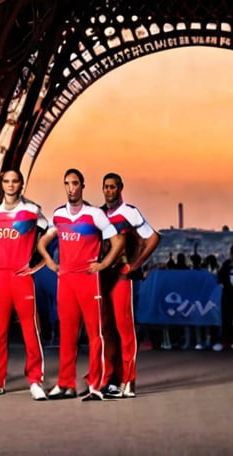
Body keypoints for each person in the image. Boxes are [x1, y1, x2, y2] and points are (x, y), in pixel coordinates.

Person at [38, 169, 123, 401]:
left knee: (95, 334)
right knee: (66, 334)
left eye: (75, 183)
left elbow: (117, 242)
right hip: (65, 280)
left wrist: (103, 264)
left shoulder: (95, 214)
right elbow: (43, 242)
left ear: (82, 186)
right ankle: (66, 384)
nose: (71, 188)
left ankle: (96, 384)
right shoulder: (58, 215)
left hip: (88, 279)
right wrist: (49, 262)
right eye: (67, 184)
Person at [0, 169, 50, 400]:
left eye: (15, 181)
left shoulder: (31, 210)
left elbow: (49, 233)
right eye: (7, 181)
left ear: (21, 184)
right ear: (2, 184)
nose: (11, 185)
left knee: (30, 329)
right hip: (0, 277)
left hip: (22, 276)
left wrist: (38, 263)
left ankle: (35, 380)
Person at [99, 172, 160, 397]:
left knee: (125, 328)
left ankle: (129, 381)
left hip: (123, 276)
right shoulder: (99, 214)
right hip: (104, 276)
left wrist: (135, 265)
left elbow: (153, 237)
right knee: (106, 329)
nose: (109, 191)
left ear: (120, 188)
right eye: (106, 187)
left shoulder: (129, 212)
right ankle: (110, 378)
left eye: (113, 187)